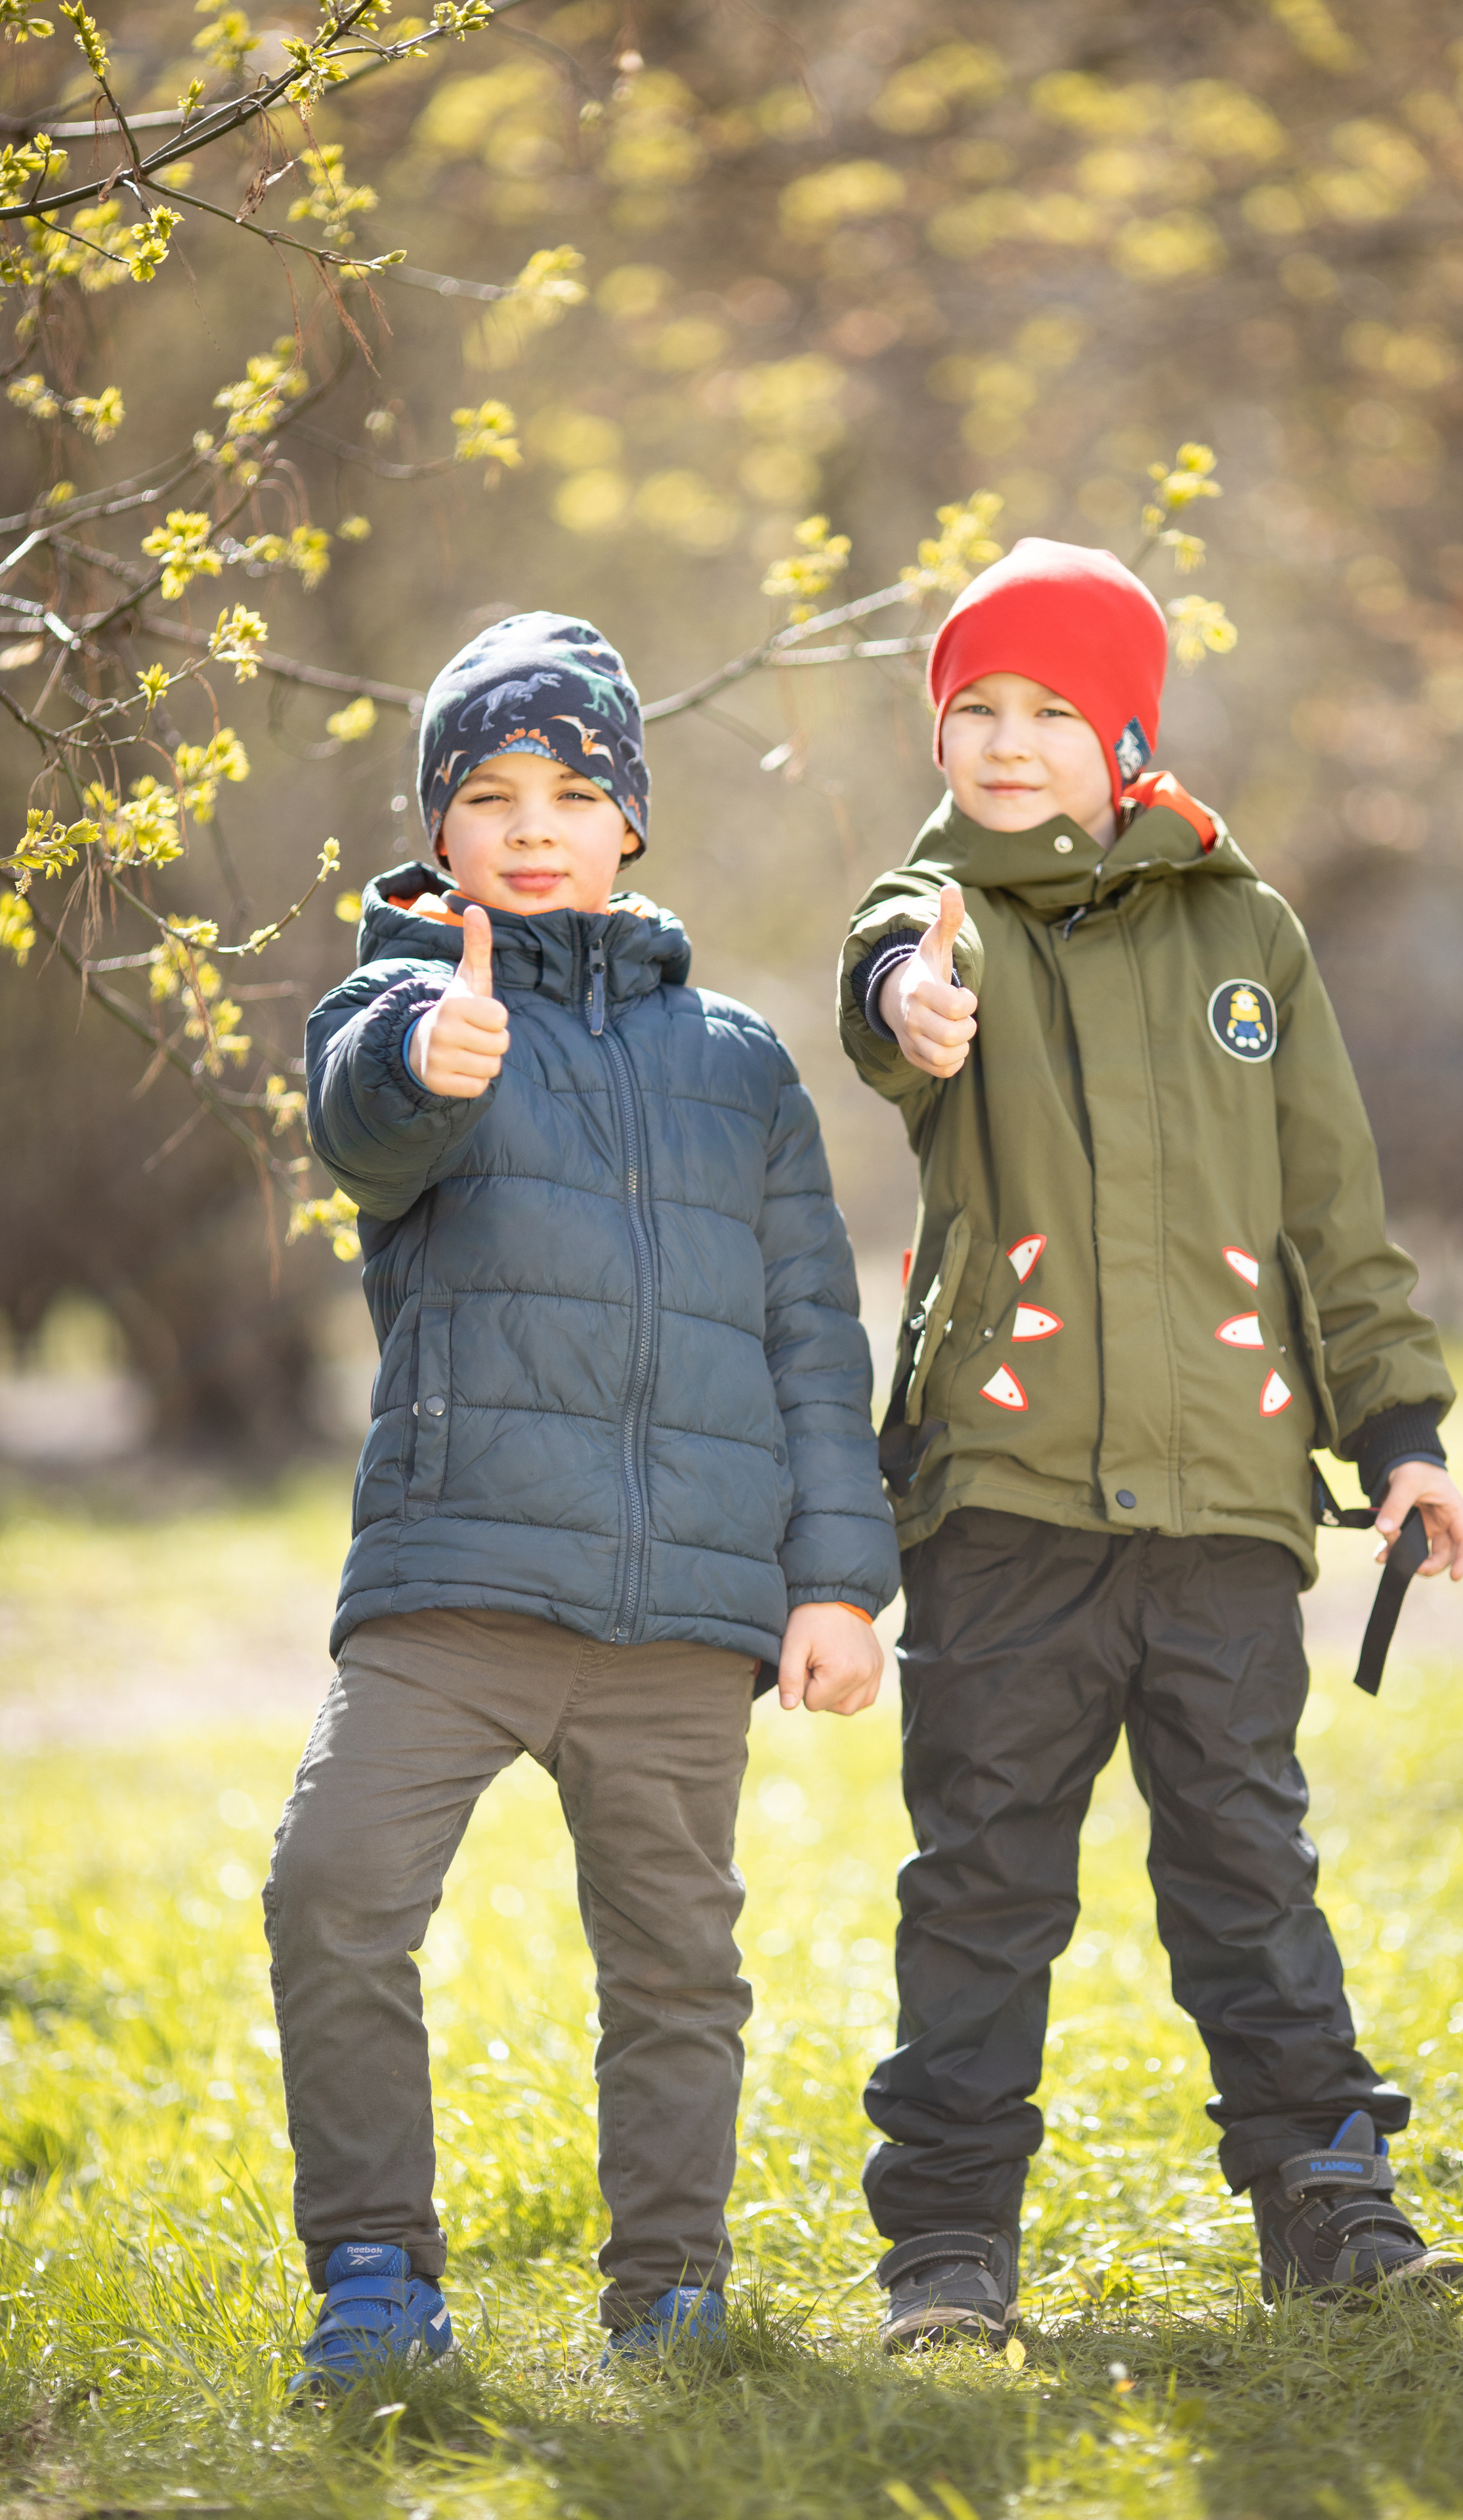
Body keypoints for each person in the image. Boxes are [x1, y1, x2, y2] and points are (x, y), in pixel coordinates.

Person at [836, 538, 1463, 2348]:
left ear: (1128, 736)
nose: (1011, 742)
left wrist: (1403, 1432)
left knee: (1247, 1862)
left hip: (1226, 1499)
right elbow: (884, 993)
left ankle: (1328, 2201)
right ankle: (947, 2249)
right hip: (1007, 1500)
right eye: (977, 710)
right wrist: (909, 1005)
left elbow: (1333, 1213)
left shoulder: (1248, 932)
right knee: (981, 1877)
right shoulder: (933, 909)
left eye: (1053, 710)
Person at [266, 612, 897, 2391]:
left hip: (684, 1620)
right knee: (332, 1886)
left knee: (680, 1964)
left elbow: (805, 1339)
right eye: (488, 792)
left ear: (631, 819)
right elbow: (365, 1116)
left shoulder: (741, 1065)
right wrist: (426, 1062)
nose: (531, 822)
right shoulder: (403, 1006)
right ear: (438, 833)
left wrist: (838, 1580)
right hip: (455, 1589)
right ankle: (381, 2275)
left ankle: (670, 2291)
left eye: (570, 789)